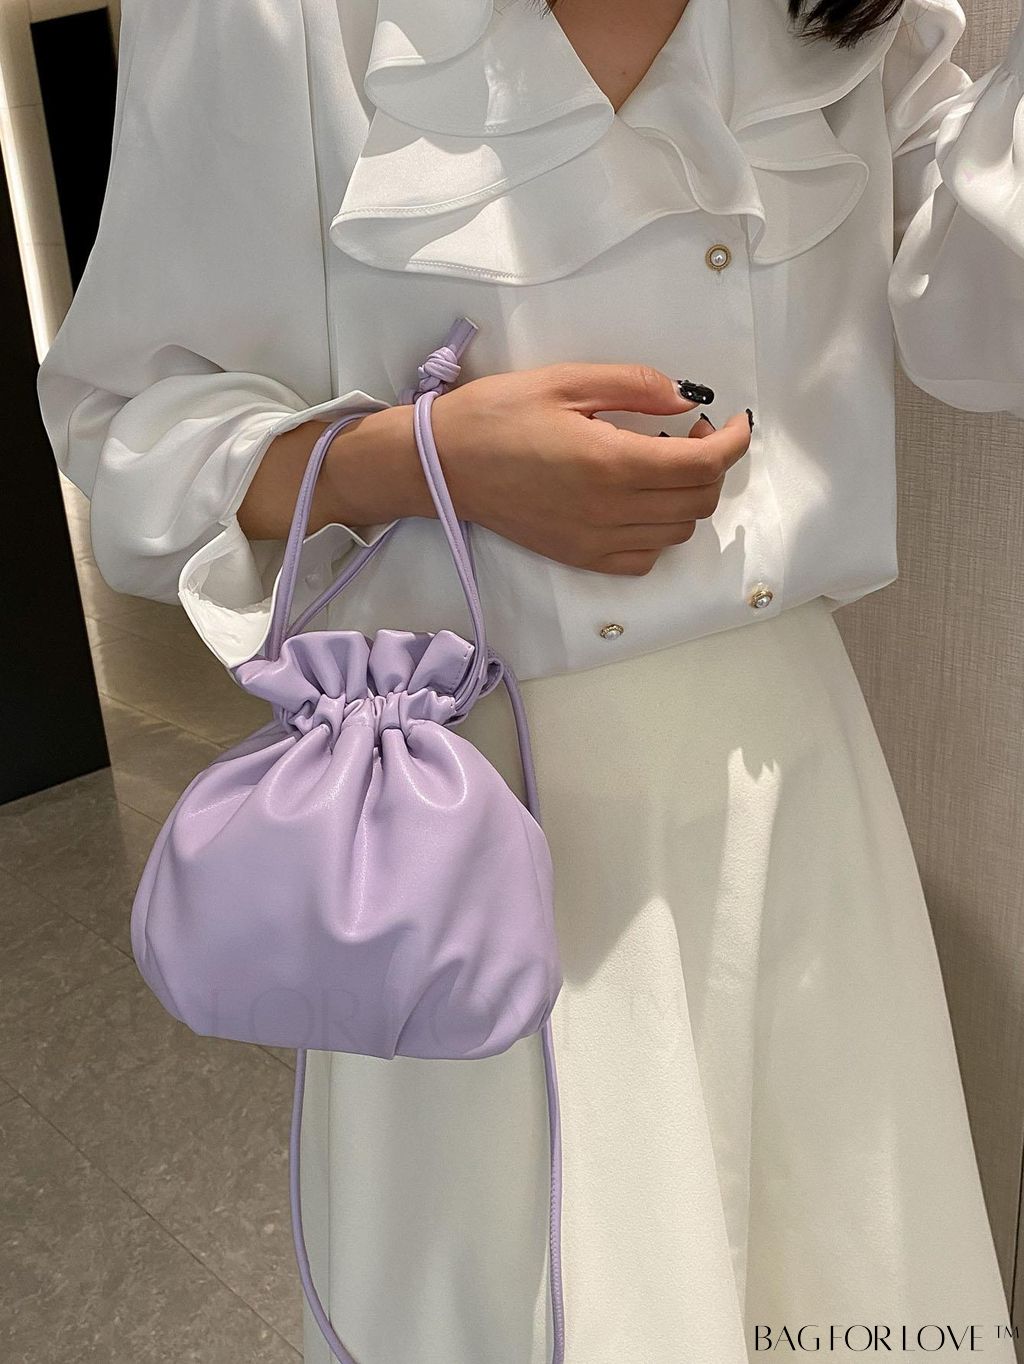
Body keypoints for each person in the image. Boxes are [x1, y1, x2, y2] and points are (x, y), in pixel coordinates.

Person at [36, 0, 1024, 1359]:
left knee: (838, 1268)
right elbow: (127, 431)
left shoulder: (841, 13)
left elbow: (983, 339)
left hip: (789, 771)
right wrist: (423, 458)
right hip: (457, 805)